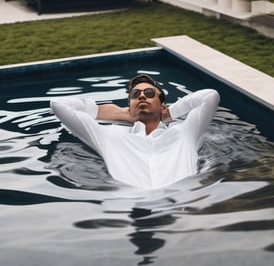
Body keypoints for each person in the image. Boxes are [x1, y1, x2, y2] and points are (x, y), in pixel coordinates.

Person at [50, 74, 220, 189]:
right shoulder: (109, 136)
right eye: (135, 94)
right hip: (128, 203)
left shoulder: (185, 132)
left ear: (162, 104)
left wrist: (170, 112)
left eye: (149, 93)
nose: (141, 96)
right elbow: (58, 104)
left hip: (183, 203)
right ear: (129, 106)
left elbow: (210, 96)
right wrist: (119, 113)